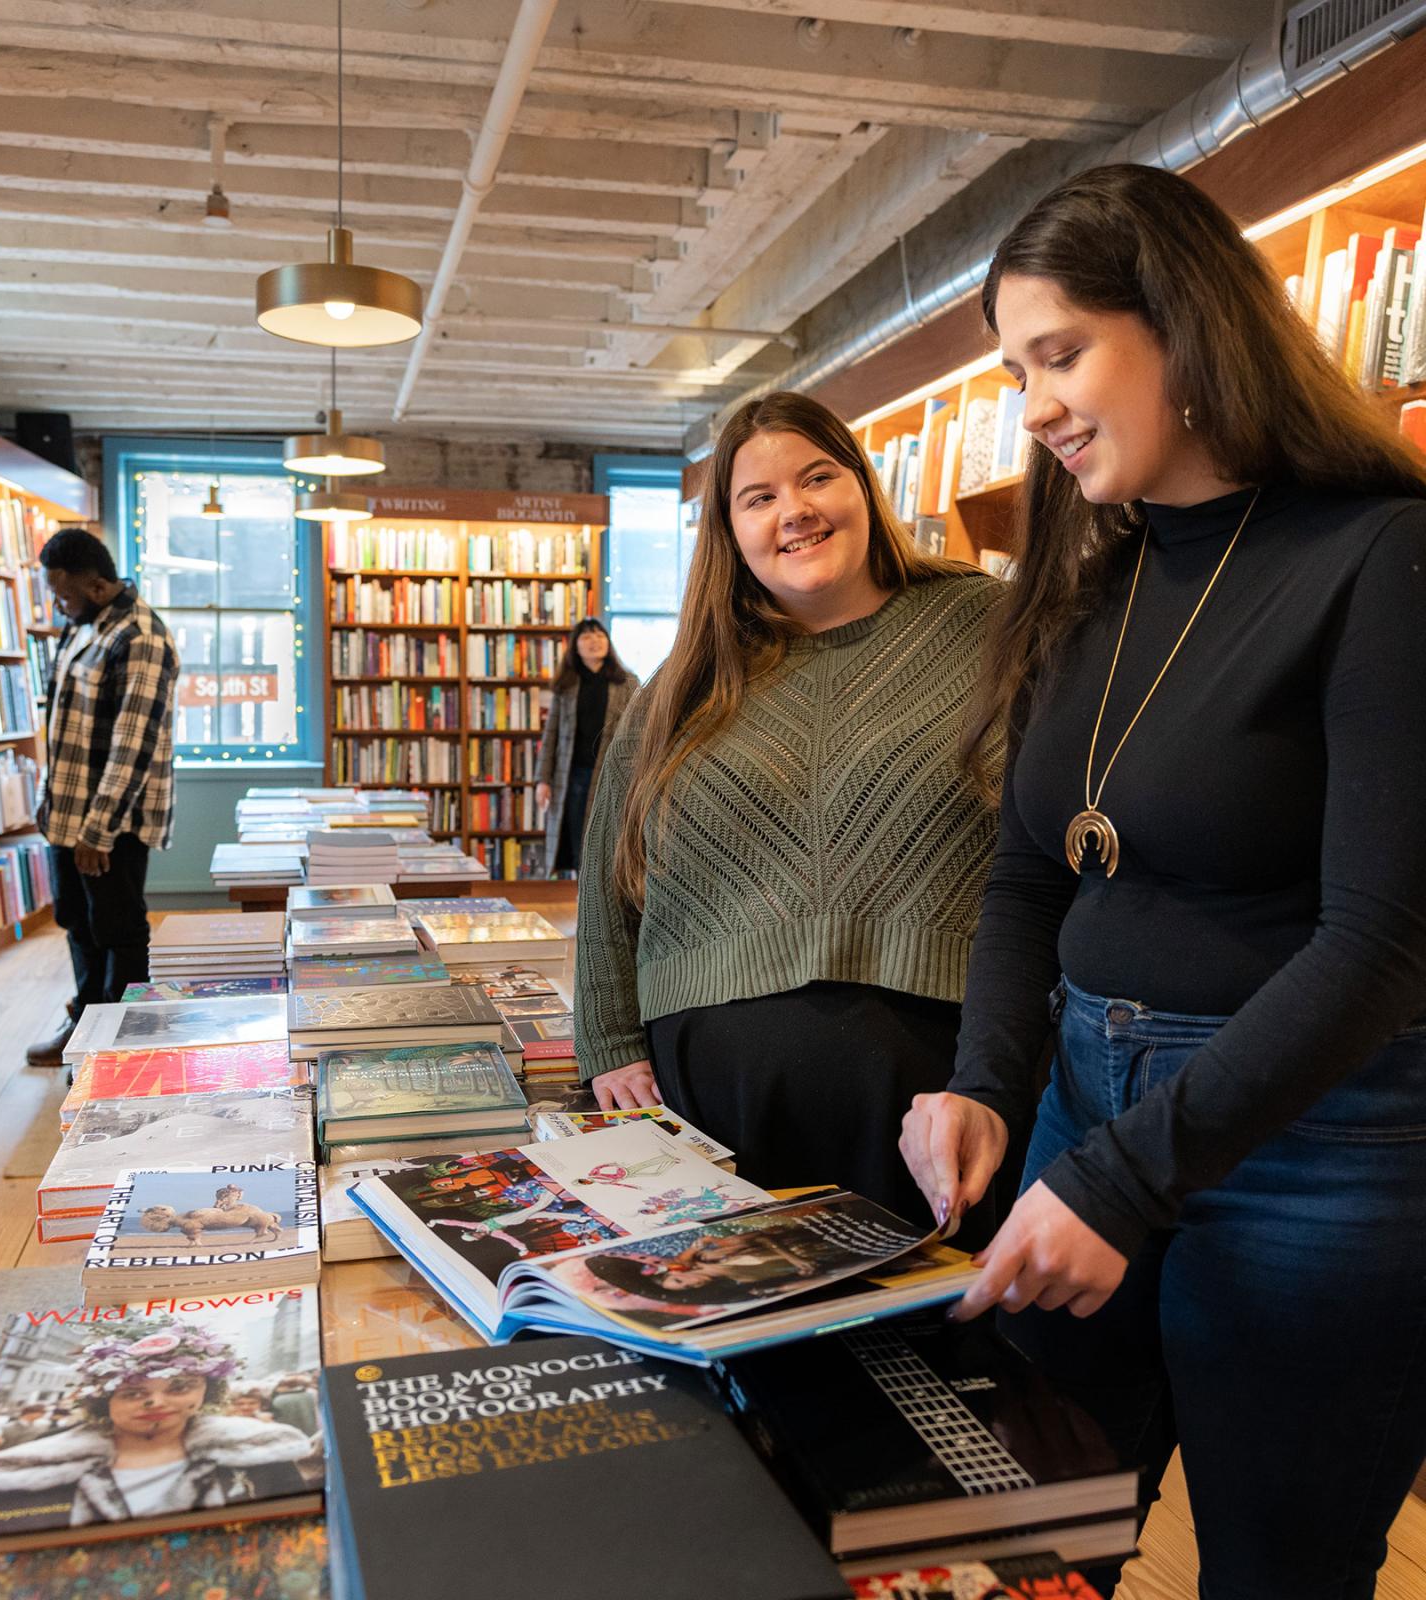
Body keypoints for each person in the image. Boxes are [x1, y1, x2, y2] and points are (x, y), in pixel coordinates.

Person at [898, 163, 1426, 1597]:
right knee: (1022, 1547)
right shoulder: (1089, 581)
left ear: (1188, 328)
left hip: (1320, 1143)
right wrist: (985, 1085)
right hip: (1085, 1098)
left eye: (1059, 354)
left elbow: (1386, 944)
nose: (1034, 408)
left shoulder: (1383, 557)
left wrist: (1125, 1176)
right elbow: (1026, 877)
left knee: (1277, 1568)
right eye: (1016, 371)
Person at [576, 391, 1005, 1234]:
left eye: (818, 478)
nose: (795, 511)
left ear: (863, 487)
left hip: (933, 1088)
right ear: (730, 532)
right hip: (713, 1104)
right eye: (759, 497)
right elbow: (608, 868)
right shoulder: (689, 678)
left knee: (930, 1344)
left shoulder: (983, 623)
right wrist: (608, 1037)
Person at [26, 529, 178, 1068]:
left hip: (112, 822)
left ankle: (124, 1042)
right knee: (76, 920)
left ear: (94, 585)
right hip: (66, 814)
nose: (58, 604)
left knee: (118, 927)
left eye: (63, 594)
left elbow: (132, 742)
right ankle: (87, 1021)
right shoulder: (80, 627)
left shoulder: (142, 637)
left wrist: (99, 830)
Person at [0, 1320, 314, 1528]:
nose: (156, 1401)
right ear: (103, 1401)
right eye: (134, 1392)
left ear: (207, 1391)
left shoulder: (260, 1451)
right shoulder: (14, 1473)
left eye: (179, 1387)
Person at [534, 618, 639, 876]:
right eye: (587, 637)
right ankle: (581, 896)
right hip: (574, 776)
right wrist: (543, 780)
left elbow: (639, 733)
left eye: (600, 636)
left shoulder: (627, 682)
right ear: (575, 647)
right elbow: (552, 735)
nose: (595, 642)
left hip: (613, 776)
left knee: (607, 844)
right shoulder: (567, 685)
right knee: (577, 840)